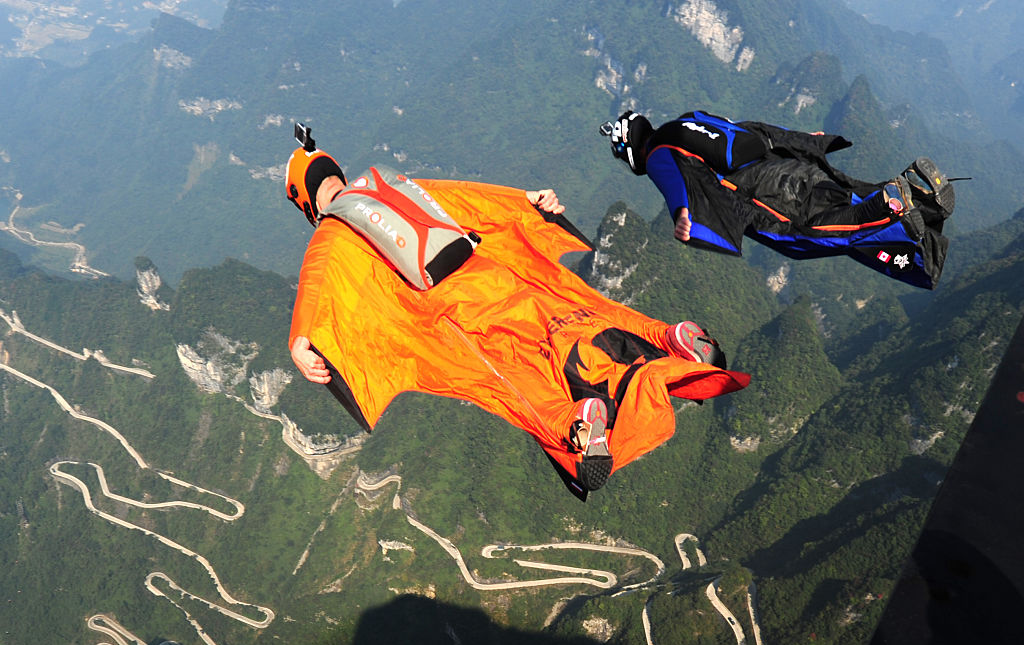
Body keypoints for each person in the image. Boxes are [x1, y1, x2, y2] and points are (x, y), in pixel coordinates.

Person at [285, 125, 750, 499]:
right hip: (502, 271)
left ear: (305, 200)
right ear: (337, 172)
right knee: (579, 317)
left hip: (459, 308)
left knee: (513, 378)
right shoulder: (389, 183)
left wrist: (301, 339)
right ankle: (670, 339)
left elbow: (318, 275)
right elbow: (469, 198)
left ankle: (576, 422)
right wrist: (528, 201)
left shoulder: (333, 230)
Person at [604, 110, 955, 289]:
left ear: (629, 149)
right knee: (844, 198)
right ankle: (924, 199)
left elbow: (674, 183)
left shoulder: (656, 155)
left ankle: (885, 207)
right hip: (789, 165)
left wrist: (683, 214)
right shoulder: (691, 121)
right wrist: (807, 140)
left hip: (765, 193)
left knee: (811, 234)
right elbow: (751, 129)